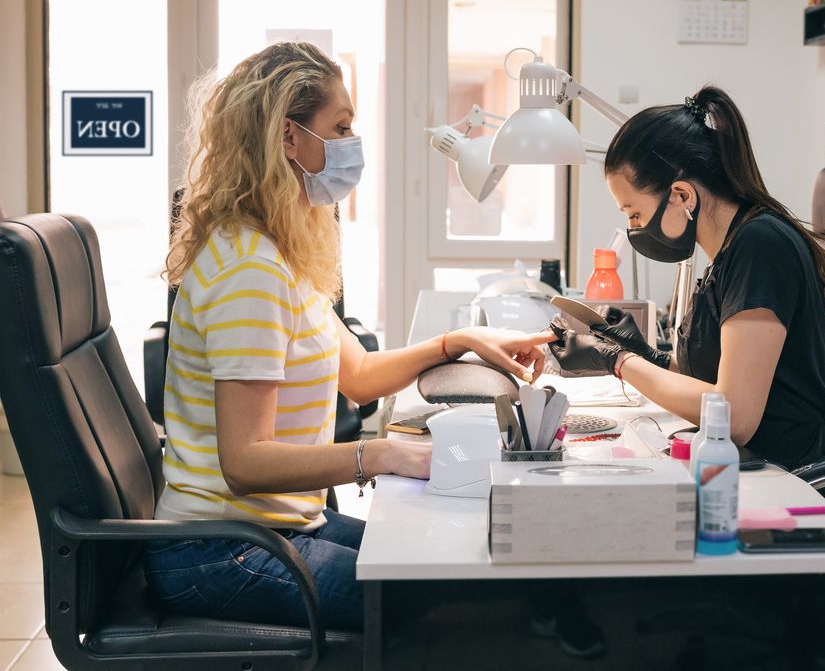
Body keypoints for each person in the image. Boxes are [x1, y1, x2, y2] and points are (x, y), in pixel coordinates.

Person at [144, 41, 553, 630]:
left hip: (267, 528)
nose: (351, 143)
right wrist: (378, 454)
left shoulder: (275, 251)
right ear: (289, 138)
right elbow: (244, 462)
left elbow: (358, 379)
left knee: (449, 558)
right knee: (451, 610)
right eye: (340, 126)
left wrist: (457, 341)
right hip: (219, 551)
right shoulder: (248, 271)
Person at [549, 86, 825, 529]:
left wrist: (617, 362)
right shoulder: (732, 248)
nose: (633, 228)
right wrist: (646, 355)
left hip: (796, 499)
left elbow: (731, 416)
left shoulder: (759, 248)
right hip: (753, 479)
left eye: (634, 214)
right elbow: (713, 380)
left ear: (681, 194)